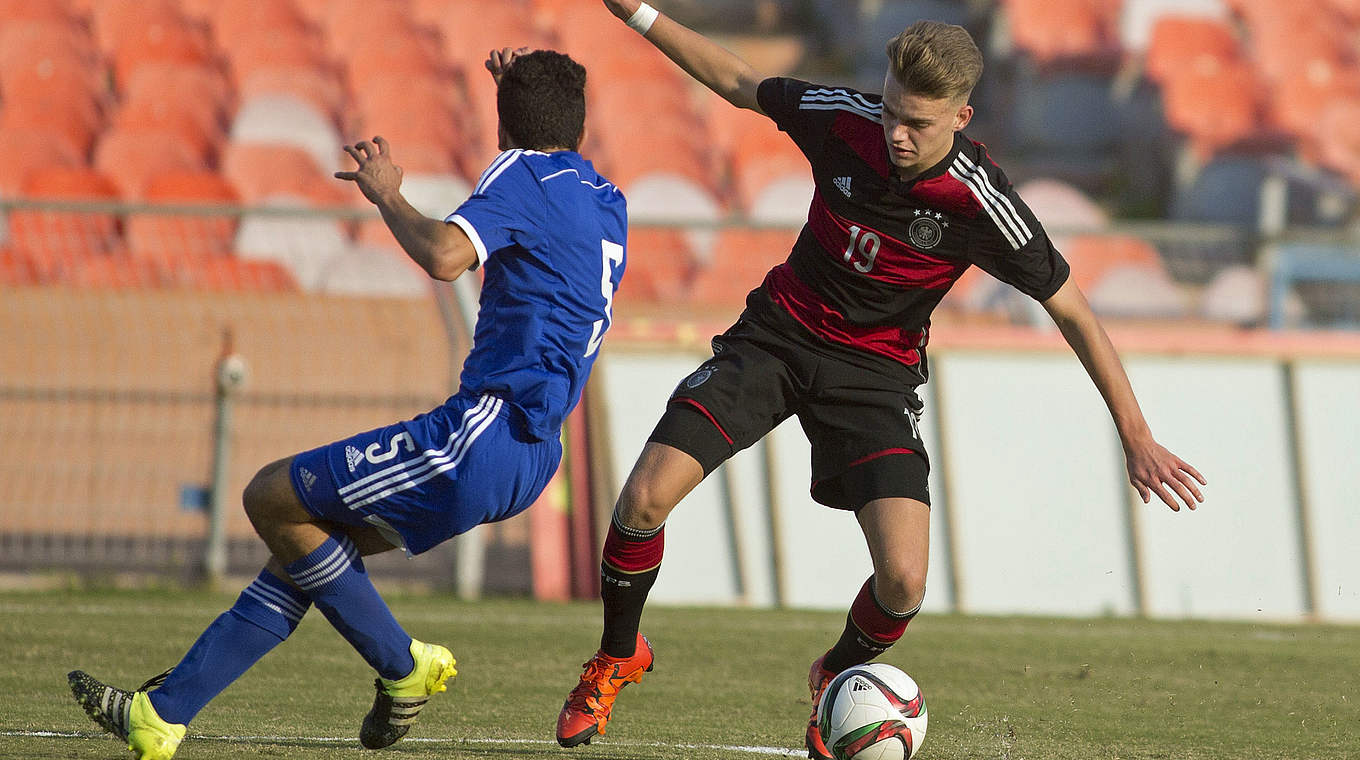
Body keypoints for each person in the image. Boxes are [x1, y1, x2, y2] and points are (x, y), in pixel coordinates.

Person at [555, 3, 1207, 757]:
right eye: (893, 109)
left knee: (903, 583)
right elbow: (736, 78)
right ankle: (614, 659)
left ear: (961, 116)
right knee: (642, 497)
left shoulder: (982, 202)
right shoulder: (843, 120)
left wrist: (1137, 436)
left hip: (874, 376)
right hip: (777, 336)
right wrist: (636, 12)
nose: (896, 132)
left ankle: (835, 676)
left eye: (919, 124)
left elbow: (1077, 314)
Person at [68, 48, 628, 760]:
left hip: (483, 431)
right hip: (538, 453)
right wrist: (518, 103)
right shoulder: (609, 202)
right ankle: (162, 716)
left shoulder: (521, 172)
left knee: (271, 496)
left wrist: (387, 192)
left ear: (506, 126)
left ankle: (403, 668)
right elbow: (550, 231)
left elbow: (447, 256)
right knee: (305, 549)